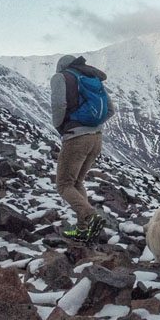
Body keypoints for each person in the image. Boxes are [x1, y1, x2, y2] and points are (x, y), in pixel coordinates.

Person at [51, 54, 114, 240]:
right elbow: (110, 109)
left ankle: (91, 217)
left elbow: (58, 104)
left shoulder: (61, 77)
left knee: (64, 185)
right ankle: (83, 229)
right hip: (96, 138)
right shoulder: (92, 78)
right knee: (77, 182)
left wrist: (61, 128)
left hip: (76, 138)